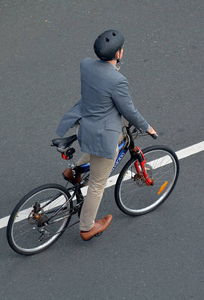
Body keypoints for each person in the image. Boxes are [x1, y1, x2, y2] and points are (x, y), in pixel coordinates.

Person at [56, 30, 157, 241]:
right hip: (102, 136)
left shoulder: (86, 65)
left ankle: (73, 171)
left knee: (116, 139)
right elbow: (128, 110)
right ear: (118, 53)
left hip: (84, 127)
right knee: (97, 185)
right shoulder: (118, 80)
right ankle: (87, 227)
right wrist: (147, 127)